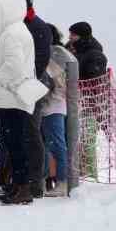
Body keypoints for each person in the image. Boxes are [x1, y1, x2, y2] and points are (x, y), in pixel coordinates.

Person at [0, 0, 46, 205]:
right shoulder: (15, 30)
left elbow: (13, 65)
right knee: (14, 142)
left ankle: (22, 187)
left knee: (16, 143)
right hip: (11, 96)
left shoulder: (11, 33)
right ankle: (18, 185)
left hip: (11, 96)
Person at [17, 0, 54, 198]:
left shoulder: (38, 27)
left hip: (30, 84)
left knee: (31, 132)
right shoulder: (14, 25)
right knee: (14, 133)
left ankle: (35, 182)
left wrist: (26, 81)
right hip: (13, 85)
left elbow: (41, 58)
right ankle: (18, 179)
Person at [67, 21, 108, 178]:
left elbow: (94, 80)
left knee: (87, 142)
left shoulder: (95, 55)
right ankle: (78, 176)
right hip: (71, 104)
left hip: (89, 105)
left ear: (82, 36)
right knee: (74, 143)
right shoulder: (70, 49)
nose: (70, 37)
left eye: (73, 35)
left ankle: (90, 178)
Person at [42, 27, 76, 196]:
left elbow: (51, 79)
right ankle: (46, 180)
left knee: (56, 144)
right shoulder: (54, 52)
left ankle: (62, 181)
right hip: (47, 104)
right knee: (46, 145)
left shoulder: (56, 53)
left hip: (53, 104)